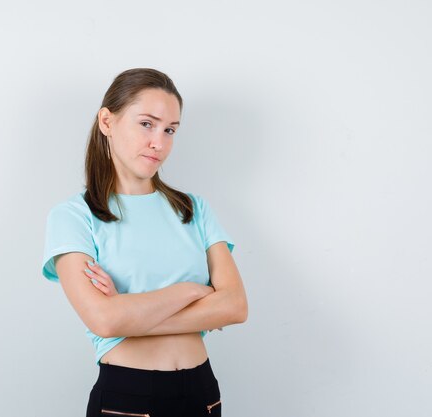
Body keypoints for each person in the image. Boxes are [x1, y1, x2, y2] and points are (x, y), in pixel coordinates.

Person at [41, 68, 248, 417]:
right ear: (107, 121)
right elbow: (104, 321)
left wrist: (130, 313)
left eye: (170, 130)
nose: (160, 143)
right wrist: (192, 292)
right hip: (128, 397)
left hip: (202, 393)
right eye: (147, 124)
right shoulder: (74, 216)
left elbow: (235, 306)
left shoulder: (192, 209)